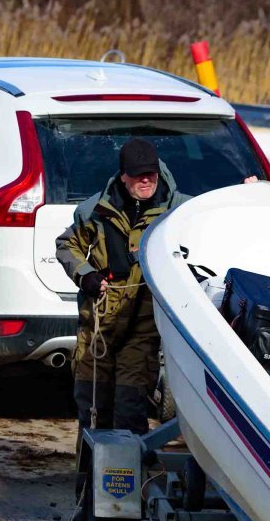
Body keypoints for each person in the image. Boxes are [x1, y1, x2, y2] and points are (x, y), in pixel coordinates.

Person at [56, 138, 187, 435]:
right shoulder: (95, 210)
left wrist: (249, 191)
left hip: (142, 328)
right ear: (123, 176)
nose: (146, 180)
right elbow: (67, 246)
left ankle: (132, 465)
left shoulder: (178, 211)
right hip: (98, 327)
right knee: (92, 410)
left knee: (129, 410)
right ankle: (90, 466)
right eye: (138, 175)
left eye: (150, 173)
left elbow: (217, 221)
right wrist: (86, 275)